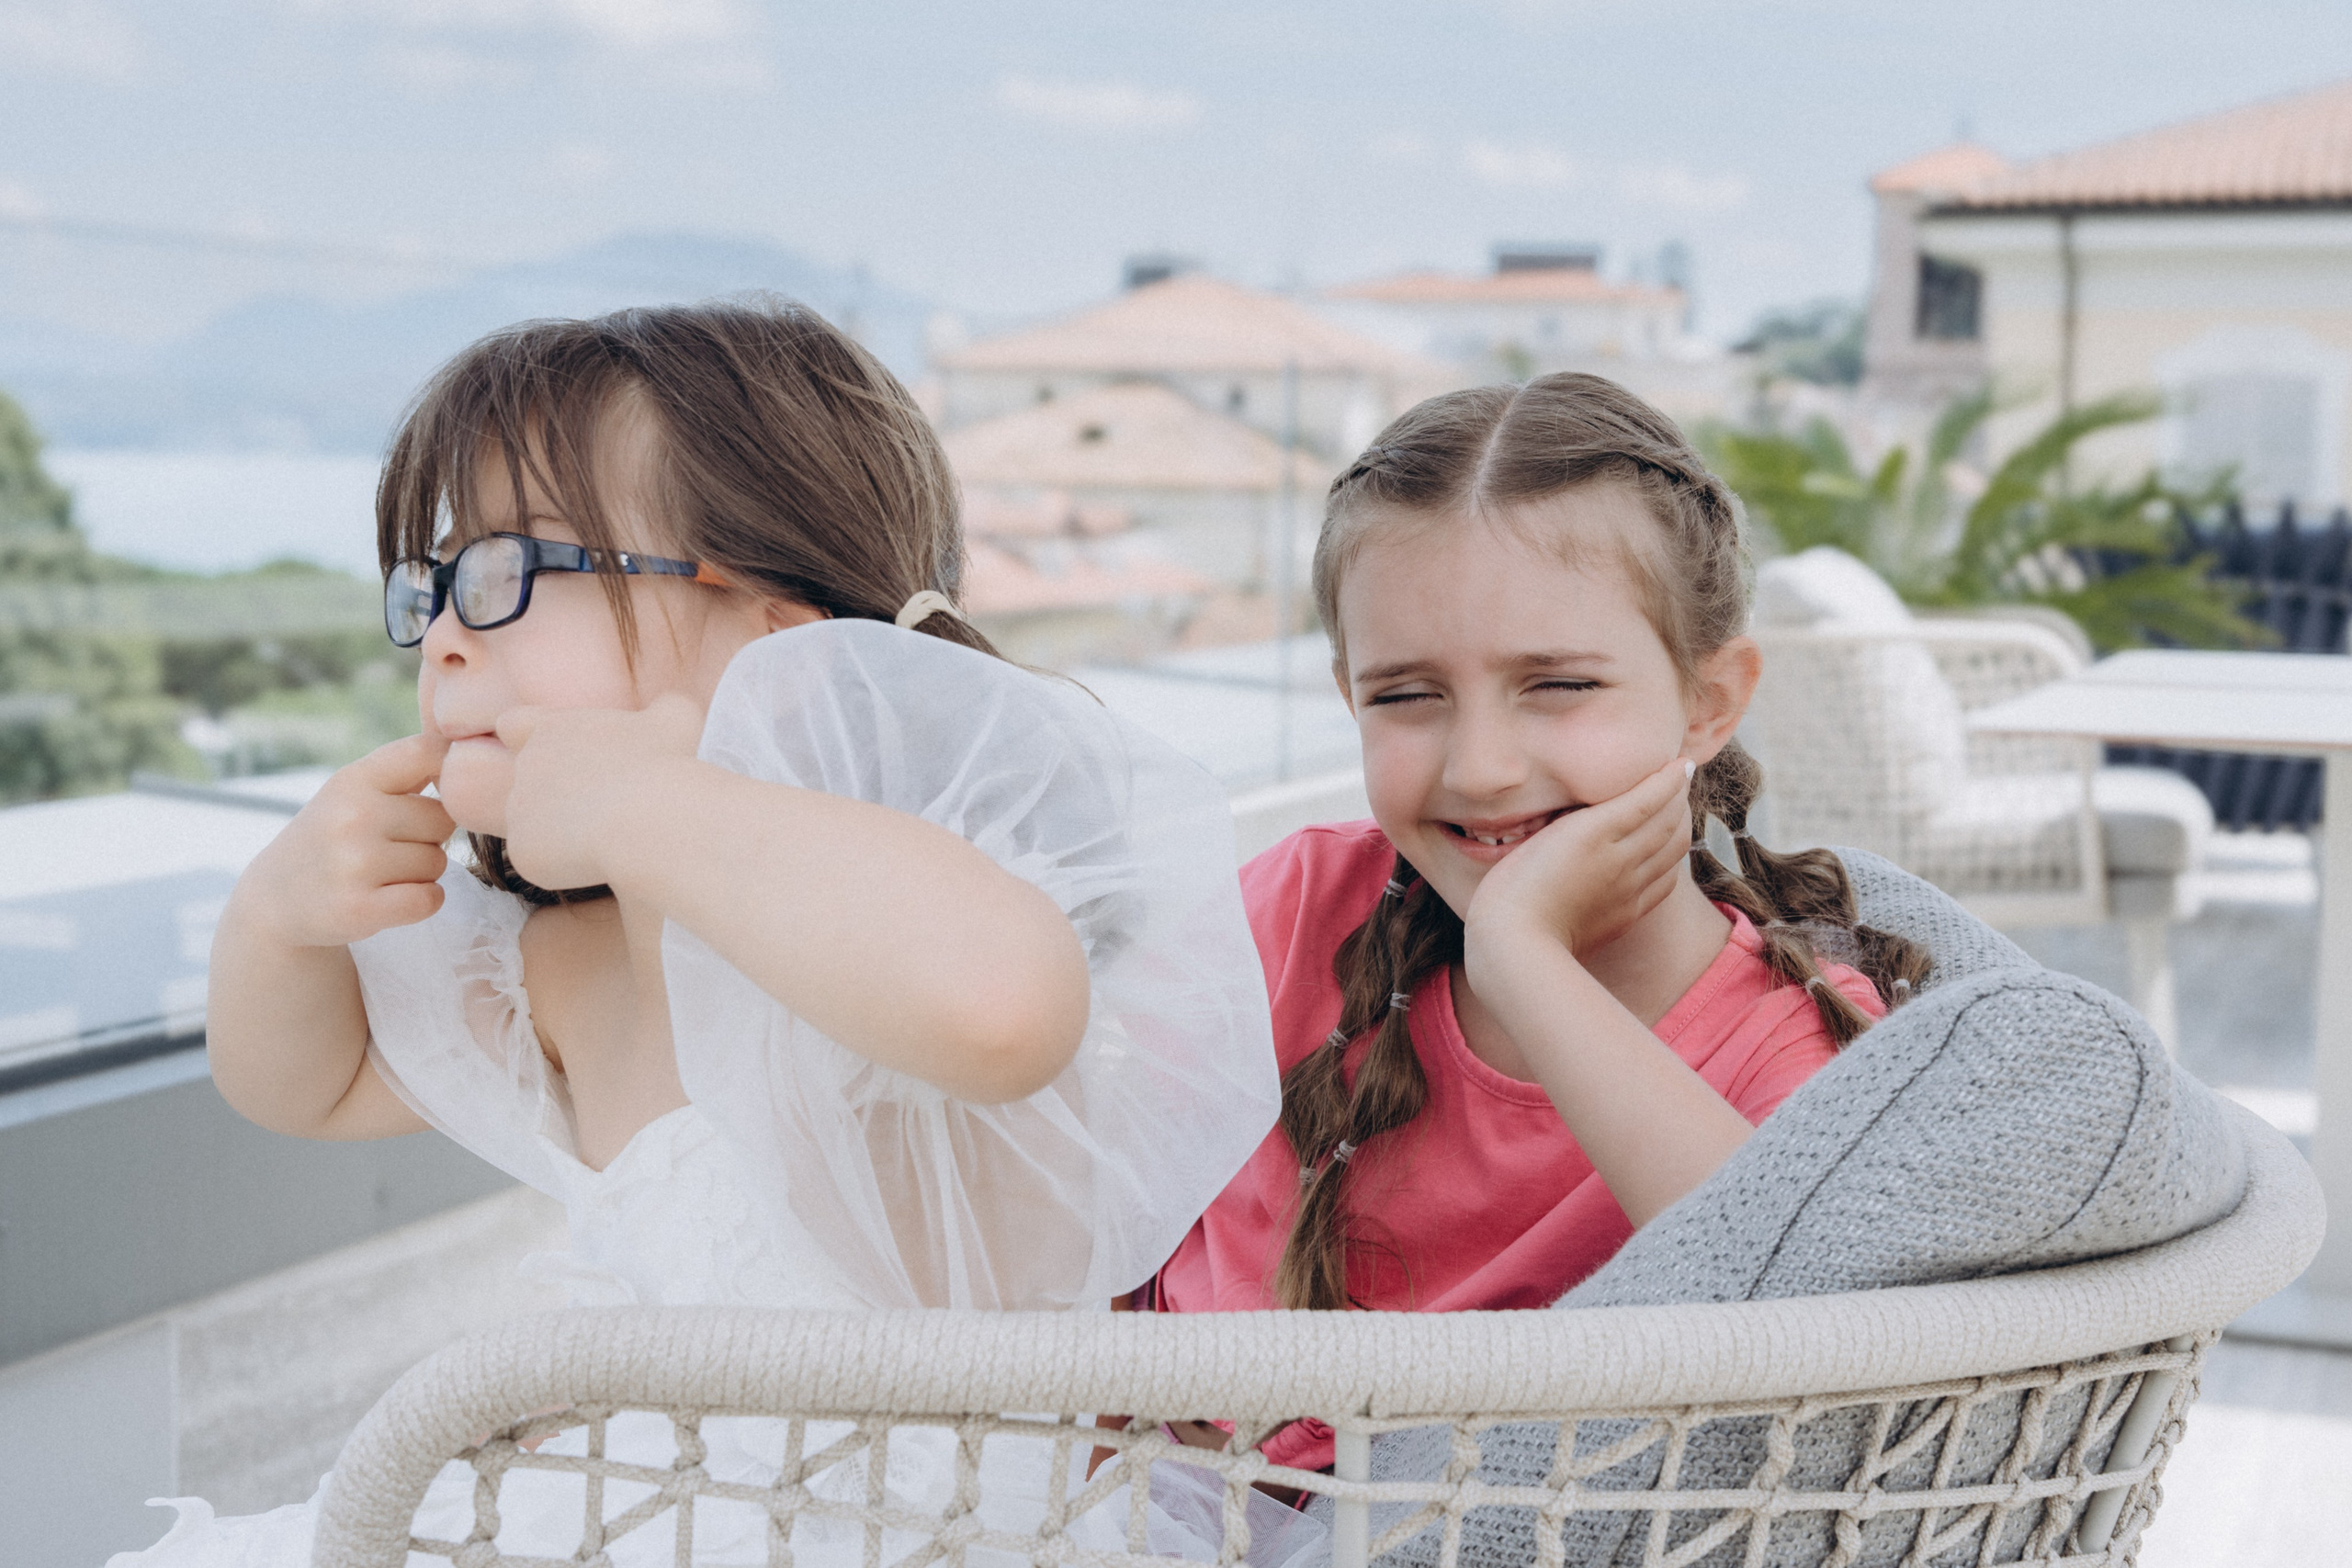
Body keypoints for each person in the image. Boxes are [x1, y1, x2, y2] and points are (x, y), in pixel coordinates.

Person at [110, 300, 1288, 1566]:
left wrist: (647, 799)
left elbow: (1006, 1007)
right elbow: (309, 1079)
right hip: (634, 1504)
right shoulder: (565, 961)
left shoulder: (897, 900)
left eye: (507, 575)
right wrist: (277, 917)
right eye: (430, 584)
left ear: (779, 640)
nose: (443, 636)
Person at [1138, 373, 1931, 1480]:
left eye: (1557, 685)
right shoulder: (1293, 910)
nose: (1482, 768)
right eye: (1406, 696)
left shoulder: (1788, 1043)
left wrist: (1522, 957)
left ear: (1709, 702)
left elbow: (1802, 1360)